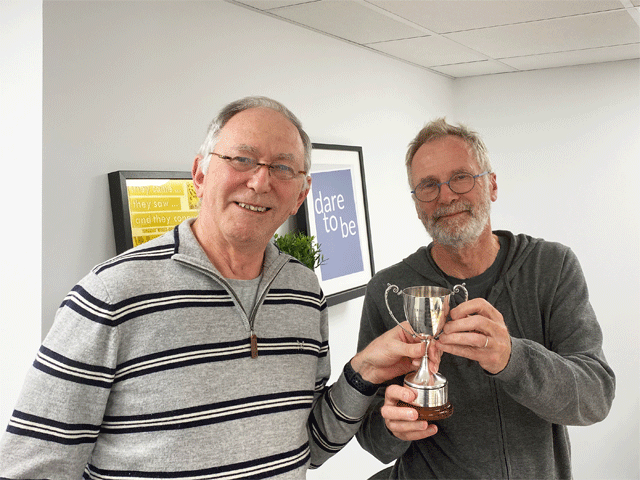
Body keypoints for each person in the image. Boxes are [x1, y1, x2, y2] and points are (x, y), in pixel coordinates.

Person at [0, 96, 426, 479]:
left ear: (300, 194)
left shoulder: (303, 291)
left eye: (282, 167)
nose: (260, 182)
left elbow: (309, 446)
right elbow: (34, 467)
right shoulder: (112, 294)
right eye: (242, 159)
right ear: (200, 174)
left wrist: (365, 370)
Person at [355, 118, 615, 479]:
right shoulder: (389, 288)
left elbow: (595, 397)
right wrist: (393, 428)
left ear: (491, 184)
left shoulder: (551, 267)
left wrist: (512, 358)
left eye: (461, 177)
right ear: (416, 205)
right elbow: (372, 440)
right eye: (428, 186)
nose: (446, 196)